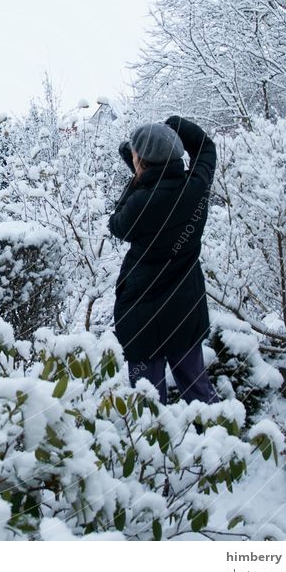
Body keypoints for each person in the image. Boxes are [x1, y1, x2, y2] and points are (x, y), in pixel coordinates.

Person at [109, 115, 220, 405]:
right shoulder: (195, 187)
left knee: (149, 404)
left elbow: (117, 225)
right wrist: (173, 125)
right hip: (185, 310)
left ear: (141, 163)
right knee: (199, 393)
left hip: (141, 314)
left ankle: (155, 449)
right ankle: (218, 441)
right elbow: (206, 147)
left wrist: (137, 177)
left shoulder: (138, 204)